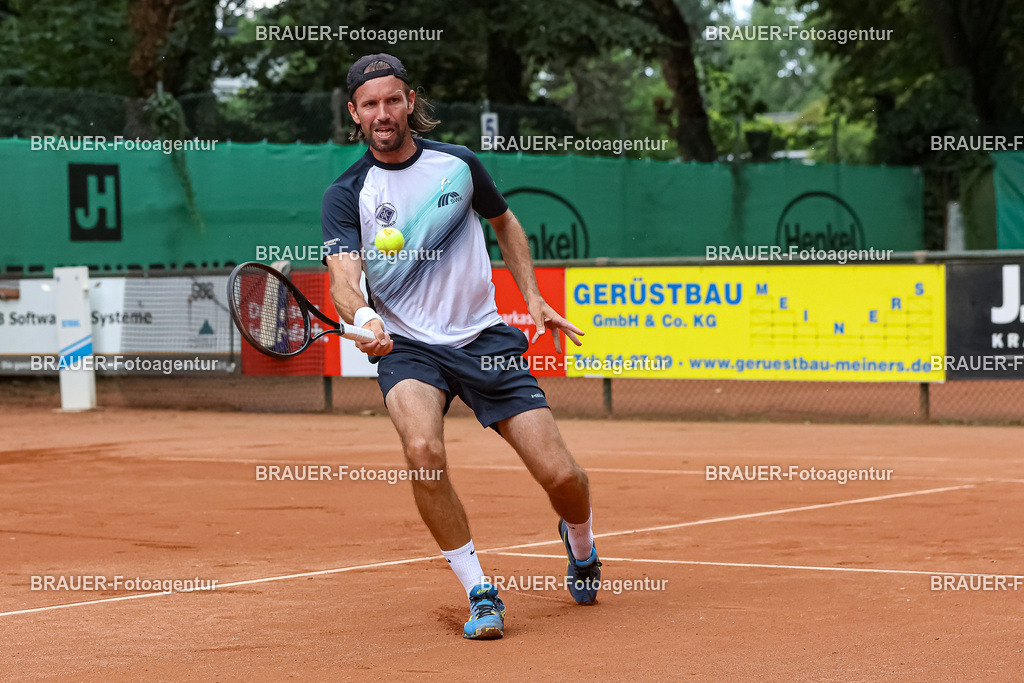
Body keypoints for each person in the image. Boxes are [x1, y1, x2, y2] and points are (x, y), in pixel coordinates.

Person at [322, 53, 600, 640]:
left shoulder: (459, 165)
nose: (383, 113)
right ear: (354, 113)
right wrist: (367, 318)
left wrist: (535, 296)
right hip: (408, 349)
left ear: (411, 102)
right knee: (422, 450)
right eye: (369, 104)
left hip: (484, 338)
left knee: (561, 478)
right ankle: (480, 592)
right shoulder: (348, 193)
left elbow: (506, 223)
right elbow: (343, 280)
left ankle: (581, 543)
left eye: (393, 99)